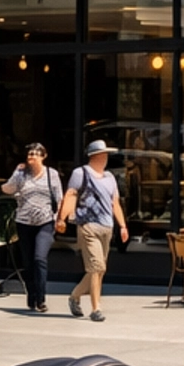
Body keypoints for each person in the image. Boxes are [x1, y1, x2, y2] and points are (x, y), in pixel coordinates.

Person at [57, 138, 128, 323]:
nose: (106, 157)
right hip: (88, 226)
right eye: (104, 154)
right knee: (97, 267)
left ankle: (74, 296)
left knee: (98, 270)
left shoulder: (110, 177)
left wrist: (122, 226)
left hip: (107, 227)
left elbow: (115, 203)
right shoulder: (81, 173)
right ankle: (96, 308)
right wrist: (62, 218)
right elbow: (71, 195)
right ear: (95, 156)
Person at [1, 142, 63, 313]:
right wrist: (16, 173)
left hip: (45, 222)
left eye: (35, 154)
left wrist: (59, 219)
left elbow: (60, 198)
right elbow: (7, 189)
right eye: (29, 154)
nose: (31, 157)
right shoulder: (22, 174)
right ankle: (31, 294)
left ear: (43, 156)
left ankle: (41, 298)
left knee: (39, 259)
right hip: (24, 222)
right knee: (28, 262)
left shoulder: (52, 174)